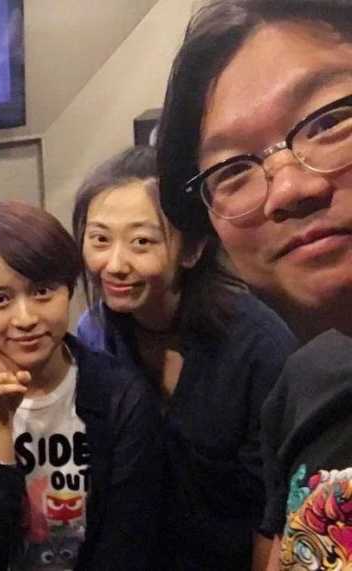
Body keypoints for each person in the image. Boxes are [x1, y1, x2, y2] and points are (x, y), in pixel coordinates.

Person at [155, 0, 352, 567]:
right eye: (233, 170)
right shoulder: (304, 387)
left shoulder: (256, 347)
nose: (288, 189)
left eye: (328, 122)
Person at [72, 145, 297, 570]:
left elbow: (274, 510)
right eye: (100, 239)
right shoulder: (94, 335)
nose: (114, 264)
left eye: (141, 242)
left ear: (192, 250)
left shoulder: (258, 347)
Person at [0, 201, 162, 570]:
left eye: (42, 292)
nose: (25, 318)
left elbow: (127, 541)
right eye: (1, 299)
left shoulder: (121, 393)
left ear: (68, 290)